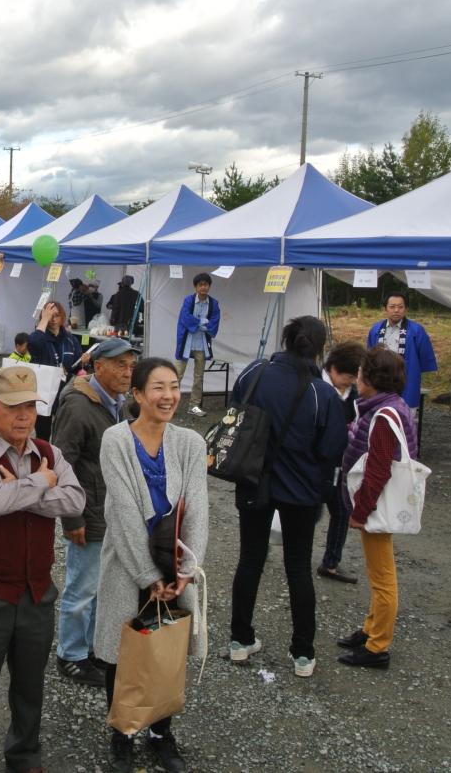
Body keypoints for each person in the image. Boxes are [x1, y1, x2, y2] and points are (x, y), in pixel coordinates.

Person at [0, 365, 85, 773]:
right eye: (13, 407)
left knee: (30, 685)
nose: (24, 415)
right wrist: (44, 483)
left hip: (37, 592)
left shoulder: (49, 452)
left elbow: (76, 502)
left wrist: (23, 490)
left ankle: (24, 757)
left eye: (30, 406)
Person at [95, 357, 209, 773]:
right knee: (122, 648)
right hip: (128, 562)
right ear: (138, 395)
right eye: (158, 388)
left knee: (167, 648)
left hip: (175, 563)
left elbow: (197, 509)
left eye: (174, 386)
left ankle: (162, 732)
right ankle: (122, 731)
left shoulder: (191, 443)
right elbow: (123, 512)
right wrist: (147, 575)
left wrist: (185, 571)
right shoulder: (115, 440)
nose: (169, 396)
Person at [228, 316, 349, 678]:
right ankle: (302, 653)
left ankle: (239, 640)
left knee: (250, 559)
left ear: (285, 340)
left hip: (252, 480)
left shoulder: (254, 373)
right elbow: (332, 449)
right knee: (298, 568)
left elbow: (236, 416)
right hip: (301, 492)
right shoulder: (323, 394)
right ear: (319, 349)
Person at [51, 338, 138, 688]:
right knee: (81, 588)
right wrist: (72, 519)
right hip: (88, 514)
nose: (127, 372)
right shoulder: (79, 405)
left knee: (102, 587)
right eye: (120, 365)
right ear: (98, 366)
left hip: (112, 512)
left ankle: (89, 650)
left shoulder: (116, 403)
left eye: (131, 366)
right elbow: (61, 463)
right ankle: (70, 655)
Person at [337, 348, 418, 670]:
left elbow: (379, 469)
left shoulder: (383, 416)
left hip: (377, 507)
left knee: (383, 577)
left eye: (360, 374)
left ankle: (378, 646)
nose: (356, 380)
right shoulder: (389, 407)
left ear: (372, 378)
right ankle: (371, 628)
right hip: (377, 505)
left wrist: (360, 511)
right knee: (376, 572)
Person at [318, 341, 367, 585]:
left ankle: (331, 562)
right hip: (316, 464)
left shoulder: (353, 394)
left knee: (341, 510)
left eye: (354, 377)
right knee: (306, 513)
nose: (350, 381)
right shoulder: (316, 387)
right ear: (333, 368)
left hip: (341, 464)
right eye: (348, 376)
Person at [365, 292, 438, 413]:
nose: (396, 310)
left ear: (406, 309)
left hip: (407, 379)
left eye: (400, 307)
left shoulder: (416, 330)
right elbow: (370, 356)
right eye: (392, 307)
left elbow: (425, 356)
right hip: (380, 379)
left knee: (406, 420)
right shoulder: (376, 329)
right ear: (385, 309)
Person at [28, 300, 82, 440]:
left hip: (64, 390)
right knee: (43, 434)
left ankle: (58, 458)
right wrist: (44, 320)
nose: (53, 319)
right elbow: (33, 345)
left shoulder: (70, 339)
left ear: (62, 316)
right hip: (43, 390)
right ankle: (43, 457)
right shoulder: (40, 337)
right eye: (49, 315)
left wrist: (83, 362)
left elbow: (76, 365)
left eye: (56, 315)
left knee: (63, 431)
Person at [174, 273, 221, 417]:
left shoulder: (213, 303)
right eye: (200, 285)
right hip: (187, 342)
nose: (203, 287)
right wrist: (201, 322)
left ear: (209, 286)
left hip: (201, 344)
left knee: (199, 376)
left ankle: (194, 405)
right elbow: (185, 317)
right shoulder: (188, 300)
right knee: (177, 375)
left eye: (206, 284)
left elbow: (215, 319)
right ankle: (171, 405)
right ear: (195, 287)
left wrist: (203, 324)